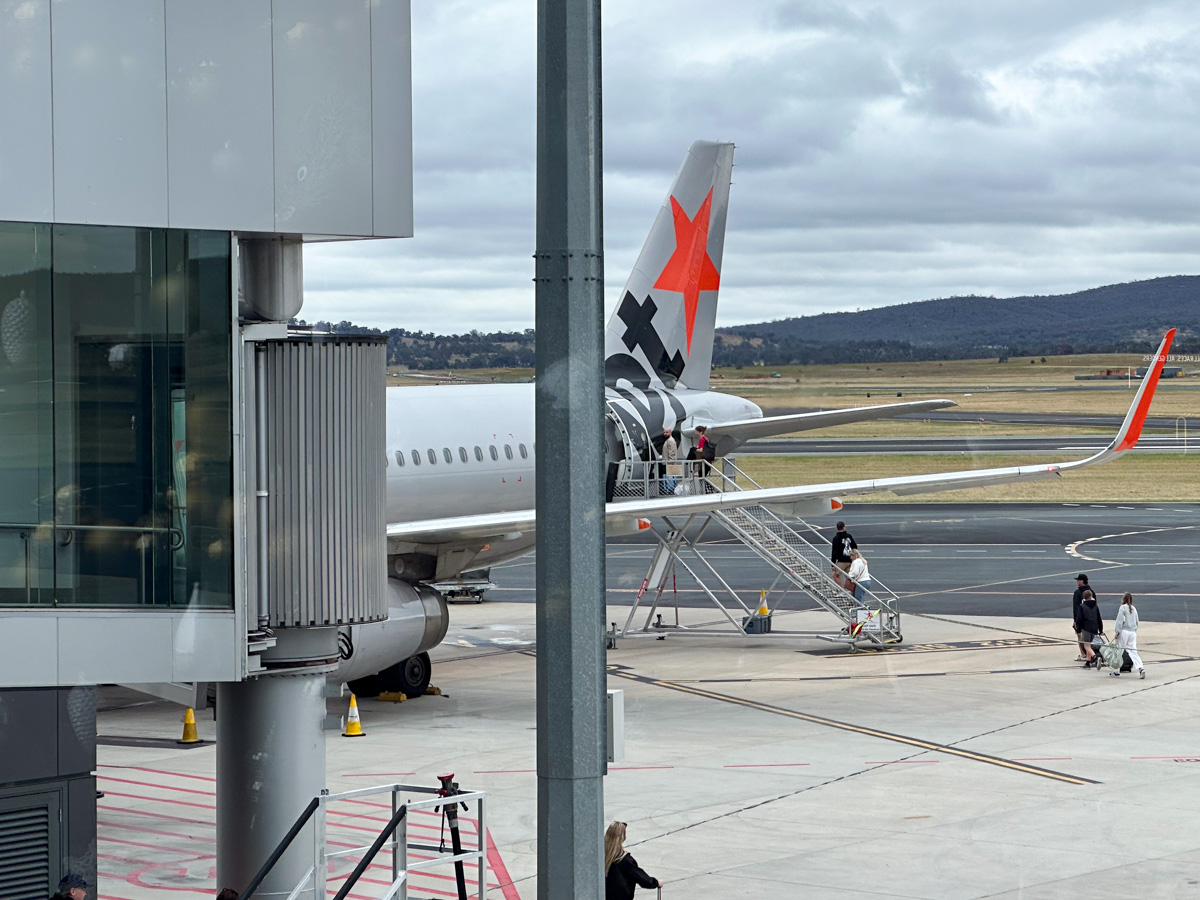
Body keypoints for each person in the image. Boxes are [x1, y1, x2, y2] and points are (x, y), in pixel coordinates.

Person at [604, 821, 661, 900]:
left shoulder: (602, 857)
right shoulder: (625, 860)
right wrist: (656, 883)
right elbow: (642, 878)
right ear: (623, 837)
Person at [1112, 592, 1146, 679]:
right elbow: (1137, 621)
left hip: (1124, 631)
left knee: (1119, 650)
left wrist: (1117, 632)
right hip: (1132, 632)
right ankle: (1141, 668)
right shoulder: (1134, 609)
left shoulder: (1122, 608)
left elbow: (1120, 621)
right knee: (1133, 651)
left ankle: (1117, 670)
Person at [1075, 589, 1103, 667]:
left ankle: (1095, 657)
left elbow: (1079, 618)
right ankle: (1088, 661)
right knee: (1089, 645)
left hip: (1086, 628)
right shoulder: (1095, 606)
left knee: (1086, 646)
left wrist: (1078, 628)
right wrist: (1100, 629)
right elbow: (1099, 618)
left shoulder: (1082, 606)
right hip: (1094, 628)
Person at [1070, 574, 1095, 661]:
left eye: (1078, 580)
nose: (1077, 582)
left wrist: (1075, 620)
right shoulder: (1091, 592)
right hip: (1091, 619)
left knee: (1080, 637)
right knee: (1089, 639)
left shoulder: (1077, 593)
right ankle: (1089, 654)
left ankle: (1083, 654)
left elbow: (1076, 607)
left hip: (1081, 619)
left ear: (1082, 581)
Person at [660, 426, 679, 494]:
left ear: (670, 433)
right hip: (667, 463)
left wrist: (671, 462)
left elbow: (672, 452)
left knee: (670, 478)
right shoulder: (667, 441)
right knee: (668, 477)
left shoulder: (670, 441)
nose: (665, 434)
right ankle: (669, 490)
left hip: (670, 464)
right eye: (664, 432)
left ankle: (670, 491)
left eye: (667, 432)